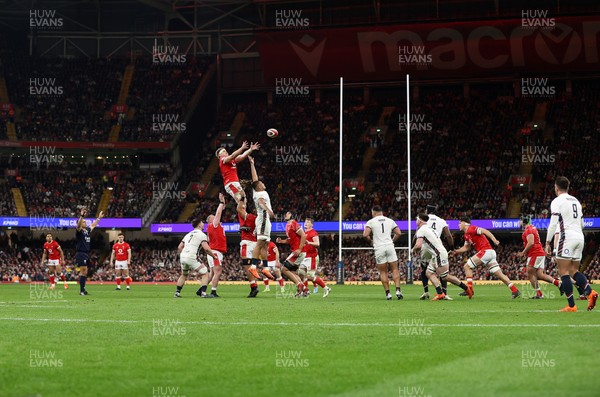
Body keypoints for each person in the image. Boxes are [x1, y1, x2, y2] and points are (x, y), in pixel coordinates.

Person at [544, 176, 598, 312]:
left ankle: (572, 306)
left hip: (567, 237)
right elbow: (582, 223)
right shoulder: (576, 201)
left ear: (556, 188)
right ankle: (590, 293)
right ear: (567, 187)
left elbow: (553, 224)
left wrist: (547, 242)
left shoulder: (557, 201)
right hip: (579, 236)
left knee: (564, 272)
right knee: (574, 271)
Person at [451, 217, 520, 299]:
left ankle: (470, 289)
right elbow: (466, 247)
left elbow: (485, 231)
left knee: (467, 266)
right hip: (490, 253)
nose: (458, 225)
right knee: (499, 274)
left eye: (460, 223)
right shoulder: (466, 235)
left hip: (486, 251)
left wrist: (494, 240)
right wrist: (456, 251)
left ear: (465, 223)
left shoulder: (471, 229)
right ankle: (515, 290)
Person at [412, 213, 470, 300]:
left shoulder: (421, 230)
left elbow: (418, 245)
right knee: (428, 273)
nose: (416, 220)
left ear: (419, 221)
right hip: (438, 254)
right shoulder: (429, 228)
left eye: (417, 219)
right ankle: (440, 293)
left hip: (438, 254)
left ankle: (466, 288)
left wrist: (412, 250)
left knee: (445, 276)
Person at [246, 156, 275, 298]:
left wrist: (252, 163)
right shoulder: (260, 194)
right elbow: (262, 201)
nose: (263, 183)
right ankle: (253, 267)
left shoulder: (256, 190)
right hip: (263, 217)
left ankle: (265, 268)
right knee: (260, 243)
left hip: (265, 220)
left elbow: (254, 179)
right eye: (261, 183)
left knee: (265, 245)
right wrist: (268, 210)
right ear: (258, 186)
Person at [363, 205, 403, 300]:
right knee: (395, 269)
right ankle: (398, 290)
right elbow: (399, 233)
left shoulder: (371, 222)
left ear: (374, 212)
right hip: (389, 245)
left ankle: (388, 294)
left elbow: (365, 235)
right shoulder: (390, 220)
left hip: (379, 247)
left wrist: (371, 241)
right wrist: (392, 240)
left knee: (383, 271)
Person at [518, 215, 561, 299]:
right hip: (539, 253)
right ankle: (559, 284)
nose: (519, 222)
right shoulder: (532, 228)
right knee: (540, 275)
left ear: (524, 222)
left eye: (520, 220)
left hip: (535, 253)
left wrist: (523, 253)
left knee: (529, 274)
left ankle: (539, 294)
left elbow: (531, 243)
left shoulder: (528, 230)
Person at [175, 218, 217, 298]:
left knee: (184, 274)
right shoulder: (202, 235)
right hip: (192, 257)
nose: (203, 224)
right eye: (202, 222)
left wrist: (181, 256)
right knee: (205, 273)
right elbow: (207, 249)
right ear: (199, 225)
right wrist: (213, 256)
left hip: (183, 256)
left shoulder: (188, 234)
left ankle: (177, 293)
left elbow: (180, 247)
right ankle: (203, 293)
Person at [420, 204, 454, 300]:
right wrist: (451, 248)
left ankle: (426, 292)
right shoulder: (441, 221)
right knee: (442, 271)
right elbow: (448, 236)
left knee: (424, 269)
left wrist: (415, 246)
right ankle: (444, 293)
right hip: (437, 247)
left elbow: (418, 234)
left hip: (426, 247)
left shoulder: (424, 220)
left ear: (426, 211)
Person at [236, 197, 266, 295]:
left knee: (247, 266)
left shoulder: (251, 217)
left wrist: (242, 199)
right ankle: (254, 286)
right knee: (251, 266)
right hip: (255, 244)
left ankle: (253, 287)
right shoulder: (260, 221)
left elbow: (239, 209)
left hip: (247, 243)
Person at [277, 211, 311, 297]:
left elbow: (303, 235)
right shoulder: (288, 226)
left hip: (298, 252)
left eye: (288, 213)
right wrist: (281, 241)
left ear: (292, 215)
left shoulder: (294, 224)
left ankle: (299, 285)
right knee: (293, 272)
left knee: (283, 269)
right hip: (297, 251)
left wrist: (299, 249)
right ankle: (305, 290)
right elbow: (289, 240)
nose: (285, 214)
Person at [300, 217, 331, 297]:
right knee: (301, 274)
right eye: (305, 222)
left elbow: (317, 243)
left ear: (312, 224)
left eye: (308, 222)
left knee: (310, 276)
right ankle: (305, 291)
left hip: (312, 257)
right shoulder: (303, 233)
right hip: (305, 257)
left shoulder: (313, 232)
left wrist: (309, 242)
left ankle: (325, 287)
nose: (305, 223)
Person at [75, 208, 104, 296]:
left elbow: (93, 225)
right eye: (84, 222)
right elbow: (78, 226)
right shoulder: (79, 231)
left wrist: (99, 218)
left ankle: (83, 289)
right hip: (81, 253)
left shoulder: (86, 231)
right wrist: (81, 216)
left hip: (86, 253)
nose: (85, 222)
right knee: (83, 271)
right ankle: (81, 290)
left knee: (85, 272)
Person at [206, 193, 227, 298]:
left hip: (213, 251)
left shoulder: (211, 228)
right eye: (213, 217)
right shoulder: (213, 224)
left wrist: (223, 204)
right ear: (211, 220)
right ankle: (213, 292)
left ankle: (202, 289)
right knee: (218, 272)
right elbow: (218, 213)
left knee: (211, 273)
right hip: (215, 252)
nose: (216, 217)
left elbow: (220, 212)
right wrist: (221, 202)